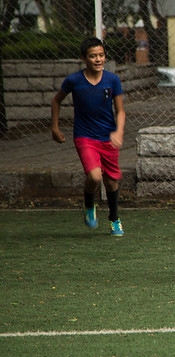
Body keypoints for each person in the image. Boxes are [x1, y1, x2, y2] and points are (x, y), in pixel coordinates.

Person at [51, 37, 126, 236]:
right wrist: (55, 128)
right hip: (84, 136)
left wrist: (118, 131)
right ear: (84, 58)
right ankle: (89, 205)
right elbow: (56, 101)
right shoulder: (73, 81)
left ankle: (114, 218)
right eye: (93, 56)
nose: (98, 59)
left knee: (111, 181)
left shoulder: (113, 80)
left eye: (101, 55)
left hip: (108, 137)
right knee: (94, 176)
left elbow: (120, 111)